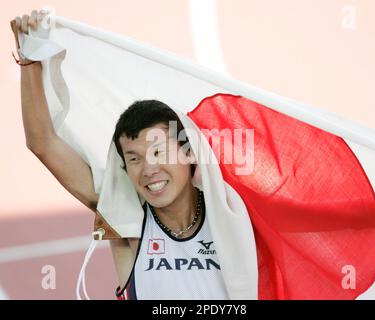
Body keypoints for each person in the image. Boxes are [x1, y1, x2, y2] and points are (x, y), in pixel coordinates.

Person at [10, 10, 229, 300]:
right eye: (134, 158)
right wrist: (30, 61)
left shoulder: (230, 213)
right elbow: (43, 143)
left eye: (158, 152)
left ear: (188, 153)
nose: (149, 169)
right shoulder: (127, 220)